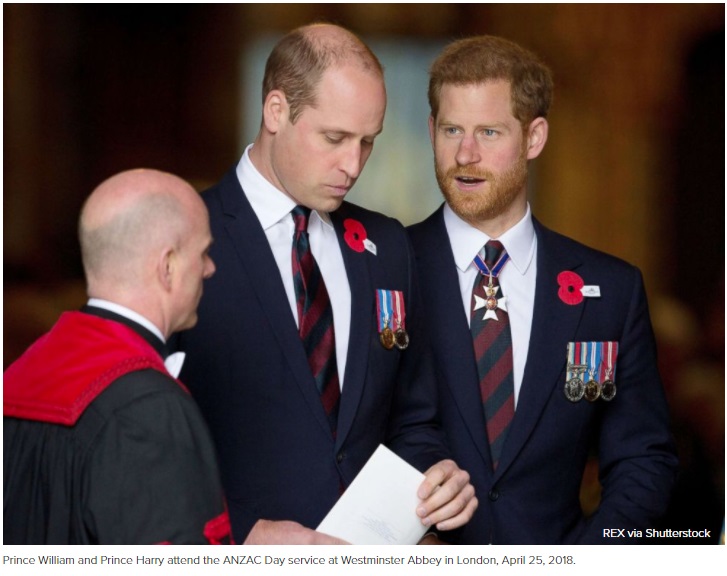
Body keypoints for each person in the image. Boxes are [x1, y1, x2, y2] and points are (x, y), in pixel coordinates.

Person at [177, 23, 476, 544]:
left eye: (368, 142)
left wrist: (434, 484)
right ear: (276, 111)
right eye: (334, 138)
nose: (353, 165)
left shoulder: (387, 247)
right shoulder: (184, 237)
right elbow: (143, 439)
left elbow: (413, 421)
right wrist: (240, 533)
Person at [407, 35, 679, 544]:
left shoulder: (612, 291)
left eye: (489, 132)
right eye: (451, 130)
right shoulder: (385, 270)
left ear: (534, 138)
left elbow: (643, 457)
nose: (466, 154)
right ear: (431, 130)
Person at [3, 169, 230, 544]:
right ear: (167, 266)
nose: (210, 268)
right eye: (203, 252)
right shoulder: (149, 408)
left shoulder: (16, 376)